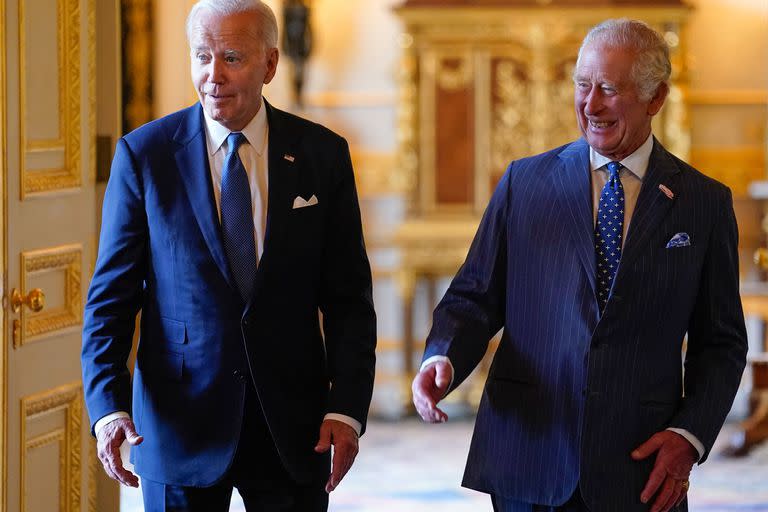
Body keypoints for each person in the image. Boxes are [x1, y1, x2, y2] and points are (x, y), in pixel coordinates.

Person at [412, 18, 747, 512]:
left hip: (641, 465)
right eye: (583, 85)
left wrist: (688, 436)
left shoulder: (704, 203)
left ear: (656, 98)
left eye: (609, 89)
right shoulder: (524, 183)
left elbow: (720, 342)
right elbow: (475, 295)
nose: (590, 105)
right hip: (529, 452)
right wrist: (443, 355)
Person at [81, 1, 376, 510]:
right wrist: (108, 407)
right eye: (201, 56)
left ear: (270, 64)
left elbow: (349, 299)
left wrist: (346, 408)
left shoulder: (321, 156)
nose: (212, 76)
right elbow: (110, 301)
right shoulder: (144, 156)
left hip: (293, 426)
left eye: (232, 58)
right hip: (178, 430)